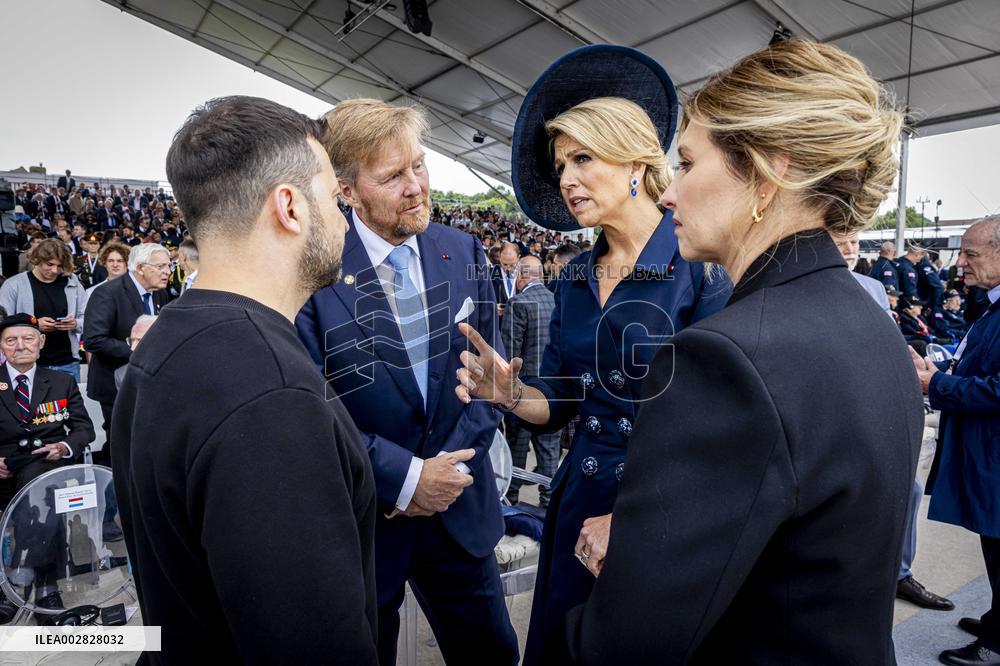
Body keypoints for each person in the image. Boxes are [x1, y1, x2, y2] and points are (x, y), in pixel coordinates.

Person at [563, 40, 923, 663]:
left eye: (689, 162)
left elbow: (629, 641)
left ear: (767, 171)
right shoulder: (869, 323)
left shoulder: (725, 359)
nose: (669, 192)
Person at [455, 45, 730, 665]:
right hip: (578, 495)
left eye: (583, 157)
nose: (567, 179)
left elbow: (714, 426)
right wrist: (511, 395)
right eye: (560, 166)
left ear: (636, 160)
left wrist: (631, 519)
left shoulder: (700, 269)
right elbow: (561, 399)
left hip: (661, 506)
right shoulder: (574, 277)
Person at [112, 95, 377, 664]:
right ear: (290, 206)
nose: (343, 218)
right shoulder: (271, 396)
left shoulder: (163, 341)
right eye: (334, 198)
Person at [295, 98, 517, 666]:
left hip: (460, 510)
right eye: (393, 176)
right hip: (369, 524)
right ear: (347, 191)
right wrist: (406, 478)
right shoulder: (312, 270)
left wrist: (446, 472)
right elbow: (309, 408)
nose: (415, 186)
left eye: (418, 165)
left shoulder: (463, 249)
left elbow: (490, 375)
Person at [911, 217, 1000, 666]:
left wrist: (936, 385)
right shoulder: (990, 305)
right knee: (993, 541)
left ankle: (996, 644)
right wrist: (941, 370)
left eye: (971, 254)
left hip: (995, 452)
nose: (959, 263)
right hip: (985, 450)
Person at [0, 313, 95, 623]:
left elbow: (83, 429)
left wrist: (63, 447)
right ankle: (44, 589)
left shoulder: (61, 382)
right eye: (11, 341)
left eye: (28, 339)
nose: (20, 346)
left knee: (41, 489)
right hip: (4, 471)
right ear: (2, 347)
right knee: (41, 495)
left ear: (40, 343)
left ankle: (21, 580)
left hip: (49, 467)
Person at [82, 242, 169, 467]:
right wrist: (138, 351)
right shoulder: (107, 293)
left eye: (168, 266)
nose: (167, 272)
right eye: (160, 266)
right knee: (121, 444)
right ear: (140, 268)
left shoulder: (160, 293)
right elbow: (94, 340)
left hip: (150, 383)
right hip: (115, 384)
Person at [500, 255, 559, 506]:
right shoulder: (559, 301)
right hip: (555, 390)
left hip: (523, 392)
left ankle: (512, 499)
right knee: (549, 451)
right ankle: (549, 500)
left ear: (522, 277)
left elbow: (508, 353)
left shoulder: (518, 303)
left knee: (517, 448)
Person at [0, 239, 88, 381]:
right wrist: (33, 324)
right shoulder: (14, 285)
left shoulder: (73, 283)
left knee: (69, 403)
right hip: (25, 364)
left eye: (60, 266)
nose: (55, 270)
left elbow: (88, 318)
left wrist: (75, 324)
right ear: (37, 259)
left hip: (67, 362)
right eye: (50, 264)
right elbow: (3, 321)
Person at [834, 230, 890, 314]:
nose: (850, 250)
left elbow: (888, 326)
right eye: (840, 243)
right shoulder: (812, 287)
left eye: (853, 242)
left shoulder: (875, 288)